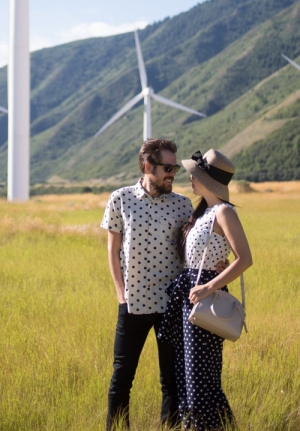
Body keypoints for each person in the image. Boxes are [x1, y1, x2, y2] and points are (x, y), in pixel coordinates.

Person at [101, 138, 227, 430]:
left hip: (172, 306)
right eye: (168, 168)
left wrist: (218, 265)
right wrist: (121, 295)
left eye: (175, 169)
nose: (173, 174)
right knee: (121, 378)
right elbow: (112, 250)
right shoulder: (120, 199)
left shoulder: (183, 205)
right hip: (132, 304)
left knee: (171, 380)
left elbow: (202, 242)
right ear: (148, 167)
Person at [158, 149, 253, 430]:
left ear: (208, 181)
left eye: (195, 175)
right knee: (188, 374)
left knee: (201, 378)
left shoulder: (224, 212)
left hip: (204, 297)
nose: (190, 178)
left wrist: (209, 286)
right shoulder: (203, 212)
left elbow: (245, 259)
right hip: (190, 294)